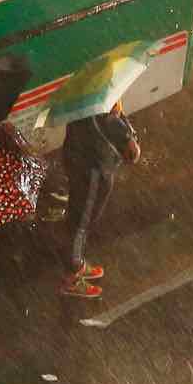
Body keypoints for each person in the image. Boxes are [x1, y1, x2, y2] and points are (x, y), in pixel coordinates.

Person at [58, 103, 141, 298]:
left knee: (79, 215)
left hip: (80, 158)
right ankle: (72, 275)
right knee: (82, 222)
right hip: (93, 167)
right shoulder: (101, 103)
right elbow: (131, 151)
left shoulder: (89, 89)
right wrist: (128, 135)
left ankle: (75, 262)